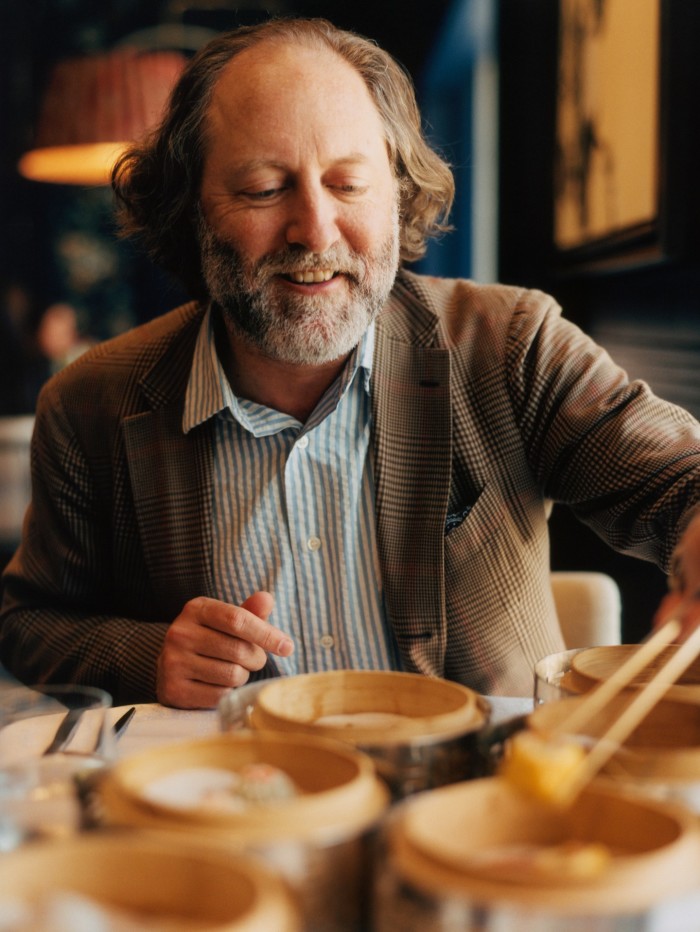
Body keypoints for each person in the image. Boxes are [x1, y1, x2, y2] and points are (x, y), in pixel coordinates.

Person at [1, 17, 699, 708]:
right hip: (229, 805)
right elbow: (28, 623)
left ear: (397, 195)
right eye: (264, 189)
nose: (314, 229)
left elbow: (677, 484)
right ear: (191, 210)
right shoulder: (89, 404)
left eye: (348, 184)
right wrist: (149, 655)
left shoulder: (512, 343)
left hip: (477, 804)